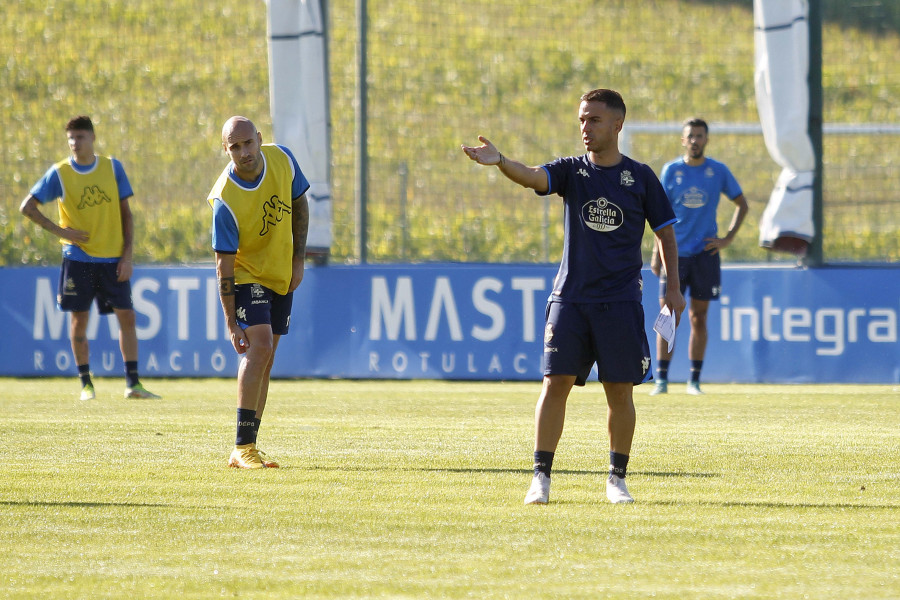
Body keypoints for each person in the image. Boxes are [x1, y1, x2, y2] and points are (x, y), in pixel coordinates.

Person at [462, 89, 685, 505]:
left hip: (620, 302)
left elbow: (665, 232)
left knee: (620, 391)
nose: (585, 127)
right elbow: (534, 176)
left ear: (617, 124)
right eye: (582, 119)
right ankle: (540, 478)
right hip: (570, 300)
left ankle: (617, 479)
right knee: (555, 383)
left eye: (594, 120)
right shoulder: (571, 171)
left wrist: (673, 286)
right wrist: (502, 163)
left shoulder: (641, 177)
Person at [20, 115, 161, 401]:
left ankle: (133, 383)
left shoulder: (112, 168)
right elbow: (28, 207)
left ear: (92, 138)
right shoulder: (59, 173)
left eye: (80, 137)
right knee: (79, 320)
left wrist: (127, 256)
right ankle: (86, 384)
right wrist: (60, 231)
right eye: (71, 138)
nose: (75, 143)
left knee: (128, 317)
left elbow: (126, 215)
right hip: (78, 258)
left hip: (112, 259)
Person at [208, 116, 310, 469]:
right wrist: (230, 322)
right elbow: (223, 265)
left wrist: (298, 259)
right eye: (234, 146)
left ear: (259, 138)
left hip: (280, 271)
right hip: (247, 275)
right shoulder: (225, 199)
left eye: (248, 142)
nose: (244, 151)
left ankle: (249, 446)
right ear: (226, 150)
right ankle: (242, 446)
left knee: (266, 361)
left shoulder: (282, 159)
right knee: (261, 346)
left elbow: (299, 205)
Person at [650, 118, 748, 396]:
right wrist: (657, 253)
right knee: (669, 315)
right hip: (674, 254)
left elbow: (742, 204)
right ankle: (662, 380)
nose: (695, 140)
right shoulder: (671, 171)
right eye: (690, 136)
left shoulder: (717, 171)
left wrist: (727, 238)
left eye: (700, 136)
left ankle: (694, 380)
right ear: (683, 140)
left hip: (705, 254)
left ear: (707, 140)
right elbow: (659, 215)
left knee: (698, 318)